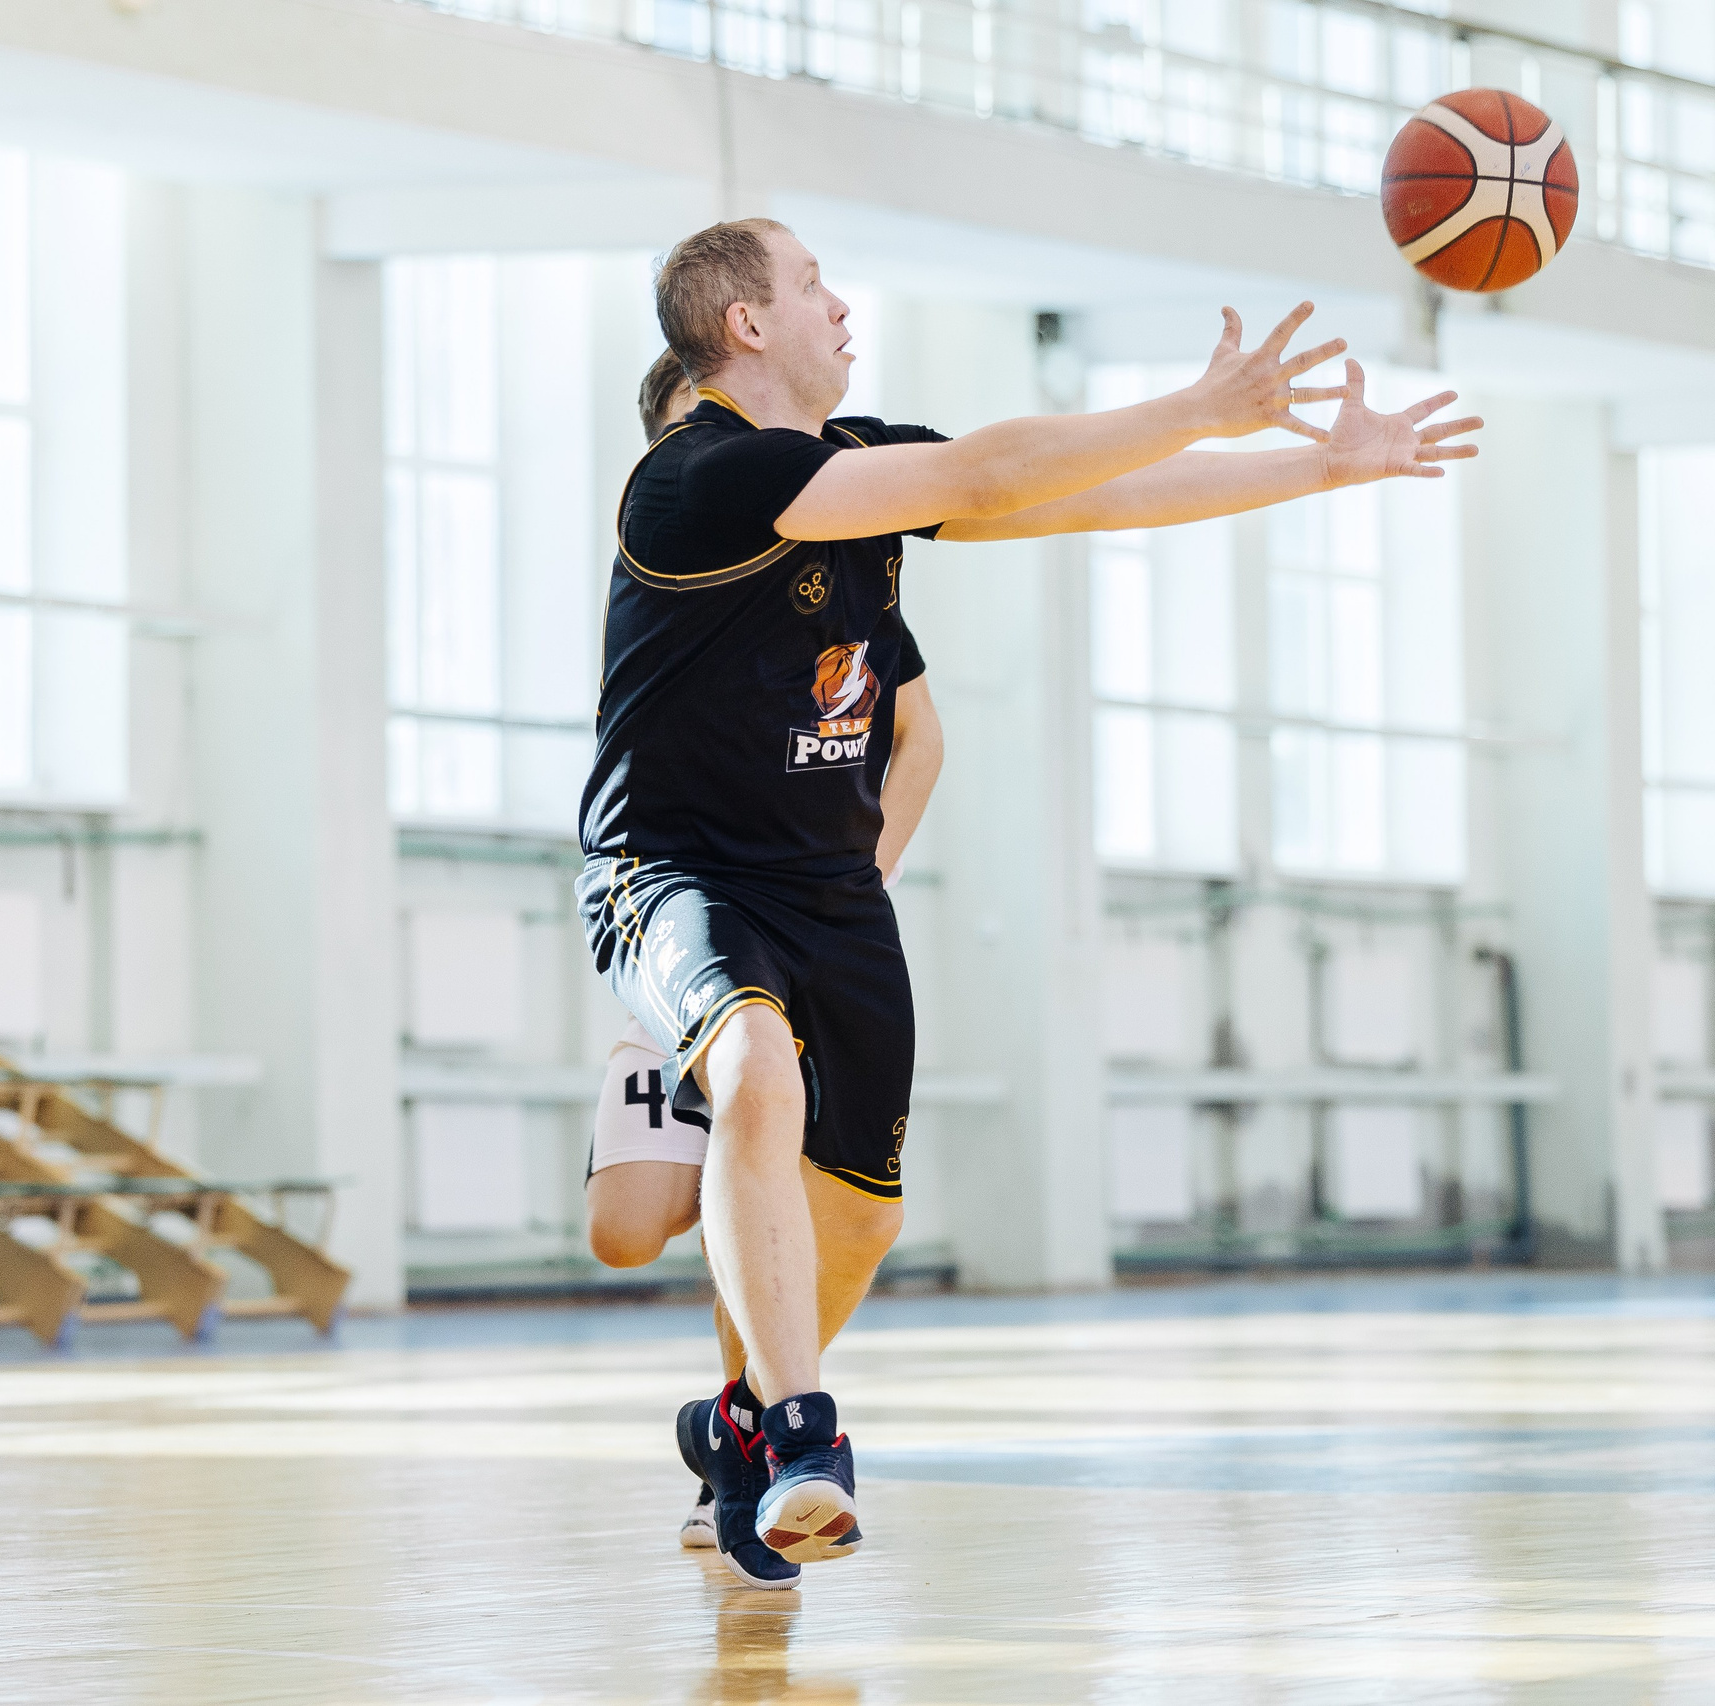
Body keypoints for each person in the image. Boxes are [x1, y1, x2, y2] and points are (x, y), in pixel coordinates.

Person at [583, 219, 1477, 1587]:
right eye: (812, 282)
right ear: (749, 325)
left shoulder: (851, 460)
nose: (840, 301)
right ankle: (806, 1437)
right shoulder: (695, 478)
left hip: (826, 886)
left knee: (864, 1215)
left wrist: (1315, 464)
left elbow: (1088, 497)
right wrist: (1198, 397)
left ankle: (735, 1423)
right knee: (752, 1066)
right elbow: (996, 462)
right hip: (672, 869)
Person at [587, 344, 941, 1564]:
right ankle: (768, 1417)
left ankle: (745, 1427)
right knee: (631, 1227)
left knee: (794, 1162)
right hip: (693, 907)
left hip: (800, 918)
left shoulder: (843, 567)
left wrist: (861, 880)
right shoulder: (690, 519)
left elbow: (918, 740)